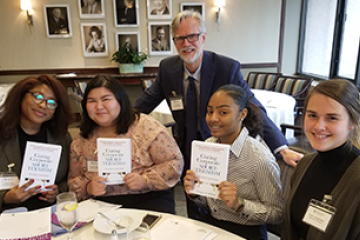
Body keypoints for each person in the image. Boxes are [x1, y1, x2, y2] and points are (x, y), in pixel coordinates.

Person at [133, 10, 303, 218]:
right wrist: (117, 122)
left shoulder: (226, 67)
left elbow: (253, 106)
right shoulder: (168, 68)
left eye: (192, 36)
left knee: (220, 195)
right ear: (174, 41)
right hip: (189, 142)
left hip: (222, 145)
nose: (187, 43)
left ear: (203, 37)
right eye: (180, 38)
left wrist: (281, 147)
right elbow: (146, 101)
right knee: (193, 192)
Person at [68, 74, 183, 214]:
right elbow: (73, 180)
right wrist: (88, 187)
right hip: (100, 204)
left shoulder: (146, 126)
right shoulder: (81, 139)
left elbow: (174, 162)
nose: (99, 106)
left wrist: (144, 180)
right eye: (92, 101)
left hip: (148, 198)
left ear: (120, 101)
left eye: (106, 99)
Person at [183, 85, 284, 240]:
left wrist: (239, 204)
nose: (213, 118)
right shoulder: (209, 145)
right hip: (213, 225)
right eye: (210, 111)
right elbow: (208, 203)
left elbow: (277, 214)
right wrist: (196, 192)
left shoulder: (259, 159)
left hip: (246, 232)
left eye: (223, 112)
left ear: (242, 114)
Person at [282, 79, 360, 240]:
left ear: (352, 122)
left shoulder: (356, 178)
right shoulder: (304, 165)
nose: (318, 126)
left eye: (332, 118)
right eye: (312, 115)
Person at [0, 75, 73, 213]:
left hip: (49, 214)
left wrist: (57, 192)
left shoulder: (61, 137)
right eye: (37, 97)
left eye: (51, 102)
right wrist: (6, 197)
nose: (43, 105)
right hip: (9, 216)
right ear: (21, 97)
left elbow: (67, 178)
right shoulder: (2, 135)